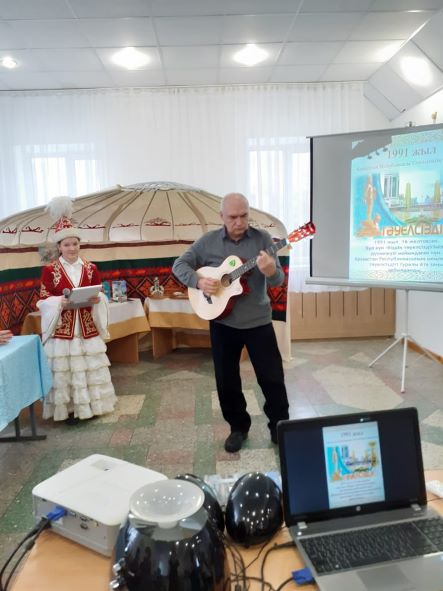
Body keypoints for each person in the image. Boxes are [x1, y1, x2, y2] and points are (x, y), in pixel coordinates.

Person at [172, 192, 289, 453]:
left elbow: (278, 280)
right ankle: (238, 428)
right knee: (227, 381)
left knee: (272, 378)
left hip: (258, 322)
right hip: (223, 323)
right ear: (222, 217)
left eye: (244, 216)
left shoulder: (263, 240)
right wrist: (199, 281)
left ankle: (280, 426)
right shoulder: (208, 242)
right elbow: (179, 265)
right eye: (233, 217)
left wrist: (270, 270)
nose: (239, 222)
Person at [37, 196, 117, 425]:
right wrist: (58, 302)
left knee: (90, 368)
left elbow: (100, 293)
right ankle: (70, 410)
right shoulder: (50, 270)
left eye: (75, 244)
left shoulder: (91, 269)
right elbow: (42, 300)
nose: (72, 248)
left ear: (79, 244)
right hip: (63, 329)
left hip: (86, 326)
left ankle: (94, 406)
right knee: (66, 371)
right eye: (67, 245)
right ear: (59, 247)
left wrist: (98, 299)